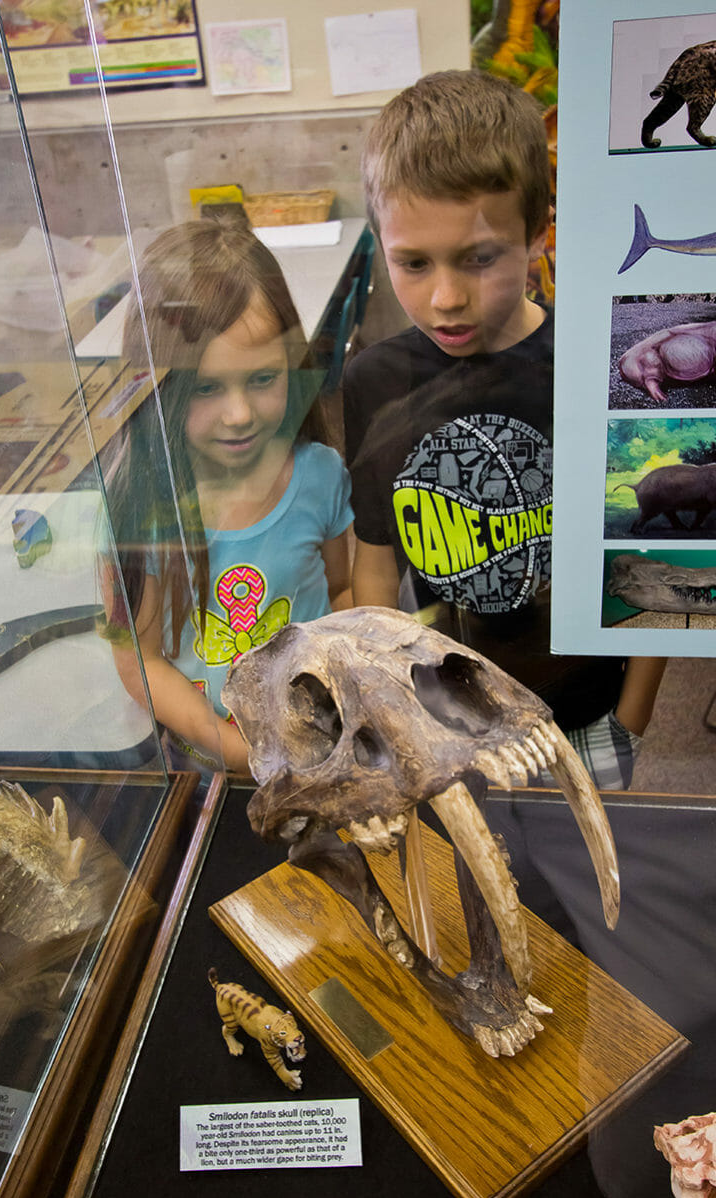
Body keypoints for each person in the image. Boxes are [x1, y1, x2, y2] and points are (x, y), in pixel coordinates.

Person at [343, 69, 665, 787]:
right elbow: (374, 562)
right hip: (441, 719)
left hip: (582, 711)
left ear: (536, 233)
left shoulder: (600, 367)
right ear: (380, 242)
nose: (446, 297)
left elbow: (647, 547)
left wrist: (632, 717)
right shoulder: (373, 382)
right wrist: (385, 709)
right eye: (413, 263)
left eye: (478, 258)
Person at [101, 213, 353, 776]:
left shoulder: (321, 476)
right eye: (207, 388)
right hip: (203, 769)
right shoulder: (136, 505)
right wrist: (232, 748)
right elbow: (136, 656)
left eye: (262, 379)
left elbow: (341, 590)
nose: (238, 415)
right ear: (157, 390)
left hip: (319, 752)